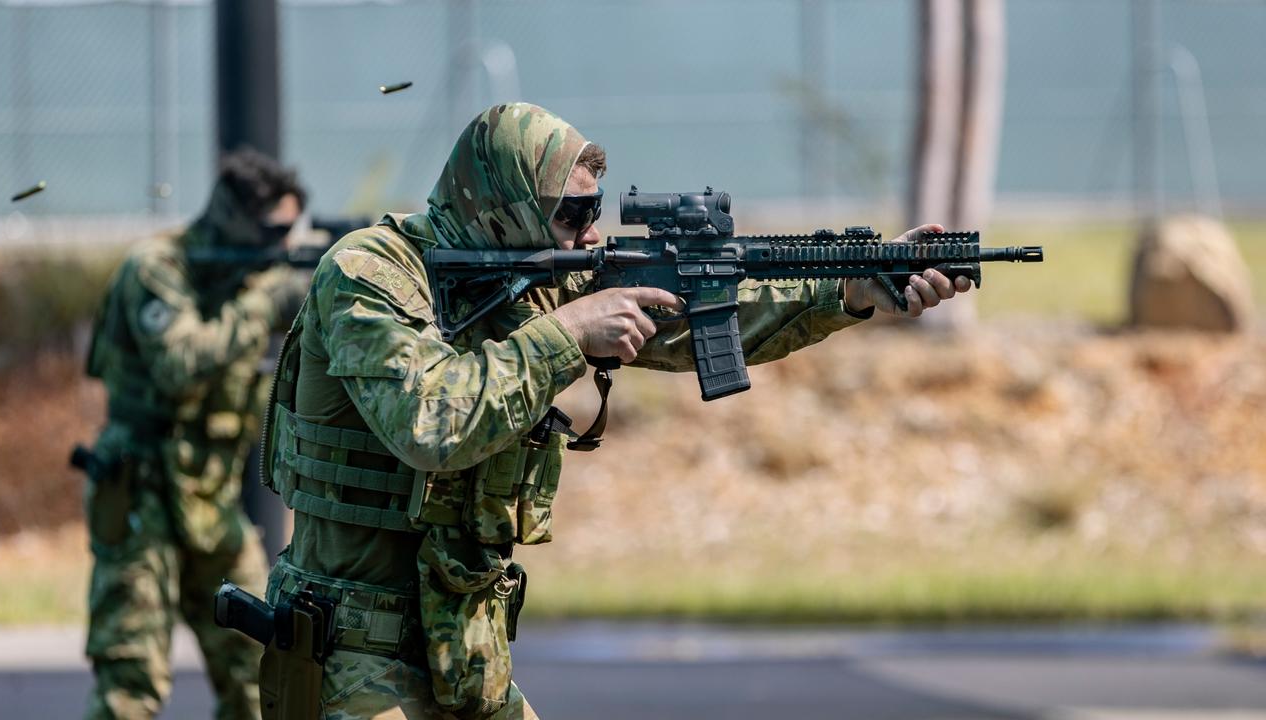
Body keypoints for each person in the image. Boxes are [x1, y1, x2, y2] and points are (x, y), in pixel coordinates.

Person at [259, 102, 970, 720]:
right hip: (351, 652)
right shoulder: (369, 273)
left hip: (463, 646)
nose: (590, 233)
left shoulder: (532, 273)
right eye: (571, 213)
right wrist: (570, 333)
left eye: (593, 211)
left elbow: (704, 325)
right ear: (503, 202)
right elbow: (430, 423)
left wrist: (849, 290)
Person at [81, 148, 307, 719]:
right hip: (141, 492)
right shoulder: (158, 269)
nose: (282, 247)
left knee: (263, 667)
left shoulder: (247, 279)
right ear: (234, 218)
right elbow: (180, 361)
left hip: (209, 499)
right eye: (273, 231)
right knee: (130, 683)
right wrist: (263, 304)